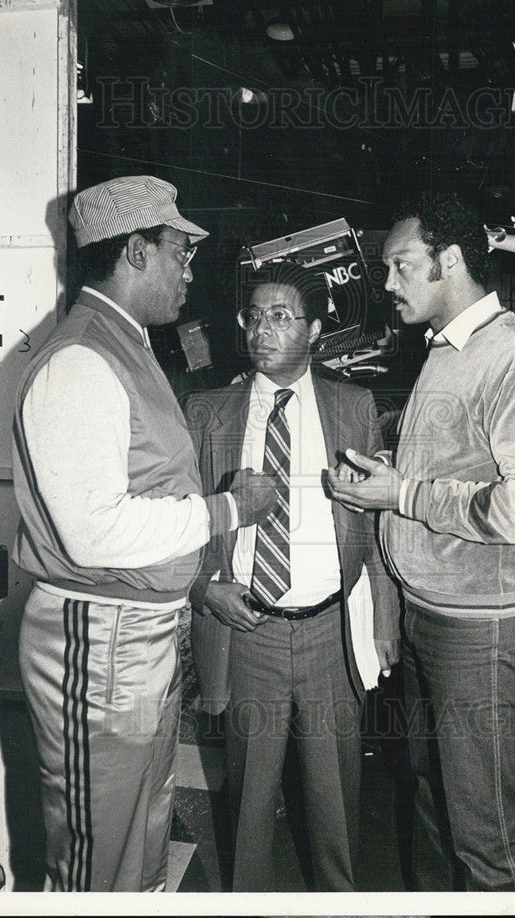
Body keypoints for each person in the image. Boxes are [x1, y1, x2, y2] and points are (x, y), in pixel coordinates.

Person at [11, 176, 276, 892]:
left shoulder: (128, 349)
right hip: (100, 643)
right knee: (100, 852)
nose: (189, 269)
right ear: (134, 252)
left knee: (139, 833)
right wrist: (229, 510)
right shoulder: (81, 362)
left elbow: (141, 497)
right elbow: (94, 533)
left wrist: (193, 583)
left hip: (134, 637)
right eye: (179, 253)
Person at [327, 190, 515, 892]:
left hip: (482, 632)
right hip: (431, 617)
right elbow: (456, 470)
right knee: (437, 805)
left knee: (487, 829)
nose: (386, 284)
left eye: (402, 266)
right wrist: (394, 480)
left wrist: (402, 495)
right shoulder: (449, 350)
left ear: (453, 260)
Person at [184, 261, 400, 891]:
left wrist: (383, 623)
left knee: (336, 804)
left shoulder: (353, 407)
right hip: (247, 629)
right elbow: (181, 521)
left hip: (330, 633)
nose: (261, 329)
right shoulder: (209, 412)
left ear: (313, 327)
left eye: (280, 316)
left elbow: (376, 521)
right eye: (253, 316)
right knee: (248, 803)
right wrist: (204, 586)